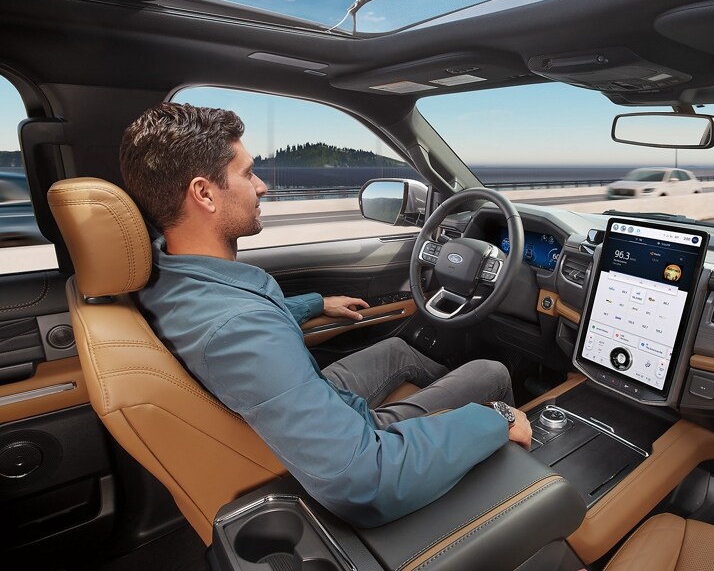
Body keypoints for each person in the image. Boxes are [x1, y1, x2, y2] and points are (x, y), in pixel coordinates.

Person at [119, 102, 532, 528]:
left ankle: (441, 407)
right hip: (355, 440)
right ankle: (521, 494)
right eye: (247, 174)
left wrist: (315, 304)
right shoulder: (242, 332)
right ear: (204, 193)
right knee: (491, 373)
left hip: (294, 396)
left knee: (394, 348)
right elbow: (364, 480)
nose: (260, 186)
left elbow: (245, 316)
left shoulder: (167, 270)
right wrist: (491, 420)